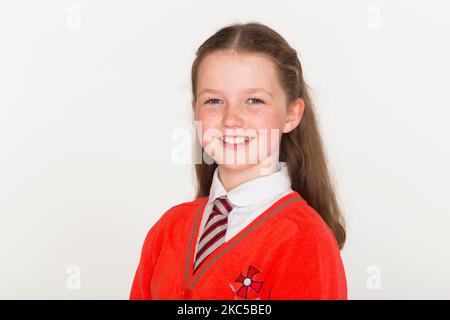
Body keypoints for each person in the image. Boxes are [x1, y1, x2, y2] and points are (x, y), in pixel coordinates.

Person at [130, 21, 347, 300]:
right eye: (213, 101)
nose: (231, 119)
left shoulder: (305, 241)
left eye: (254, 100)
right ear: (195, 109)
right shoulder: (169, 229)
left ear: (292, 114)